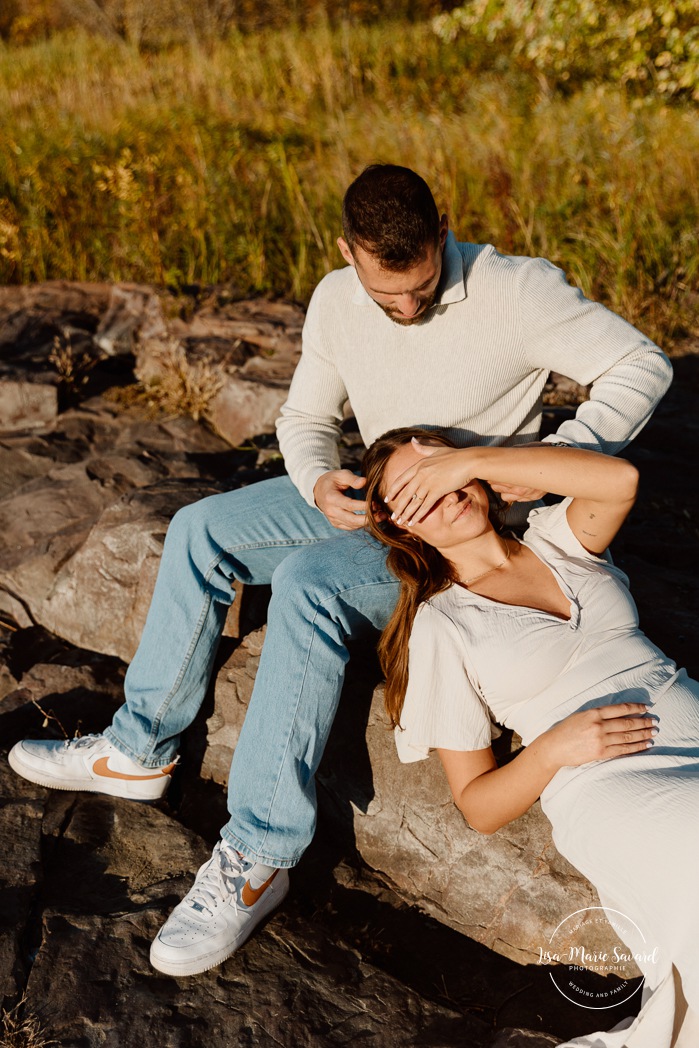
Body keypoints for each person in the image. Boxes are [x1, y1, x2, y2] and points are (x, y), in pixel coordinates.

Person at [8, 165, 672, 979]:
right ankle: (140, 747)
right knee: (197, 528)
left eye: (421, 286)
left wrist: (550, 463)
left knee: (311, 587)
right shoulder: (332, 297)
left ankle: (258, 854)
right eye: (384, 292)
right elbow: (303, 417)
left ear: (443, 229)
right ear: (346, 251)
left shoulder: (517, 290)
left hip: (464, 517)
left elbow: (642, 364)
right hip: (370, 488)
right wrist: (317, 479)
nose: (404, 308)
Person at [362, 426, 698, 1048]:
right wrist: (552, 748)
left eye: (440, 469)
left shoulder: (555, 540)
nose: (439, 490)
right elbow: (479, 806)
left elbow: (619, 481)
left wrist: (473, 460)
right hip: (608, 781)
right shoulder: (443, 623)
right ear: (399, 526)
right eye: (413, 490)